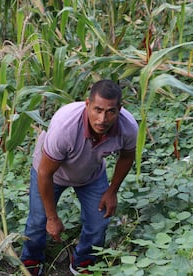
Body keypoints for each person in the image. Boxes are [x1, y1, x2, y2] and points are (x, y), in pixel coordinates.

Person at [20, 79, 138, 275]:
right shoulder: (65, 127)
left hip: (91, 173)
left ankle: (83, 262)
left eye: (110, 111)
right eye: (98, 110)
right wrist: (52, 217)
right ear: (87, 104)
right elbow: (45, 173)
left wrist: (112, 191)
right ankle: (31, 260)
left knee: (99, 221)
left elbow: (127, 156)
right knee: (38, 221)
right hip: (52, 174)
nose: (103, 119)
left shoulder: (127, 127)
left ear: (120, 109)